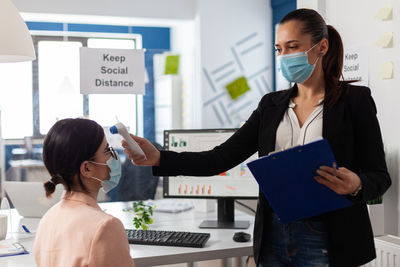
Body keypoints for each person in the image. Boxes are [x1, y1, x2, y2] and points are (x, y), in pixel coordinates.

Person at [123, 8, 391, 267]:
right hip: (274, 234)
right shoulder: (270, 105)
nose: (284, 55)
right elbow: (220, 158)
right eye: (279, 49)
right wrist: (160, 158)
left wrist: (356, 184)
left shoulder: (354, 101)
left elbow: (379, 176)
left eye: (293, 46)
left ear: (321, 47)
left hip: (329, 235)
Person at [34, 118, 134, 267]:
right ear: (87, 168)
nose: (113, 156)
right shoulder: (106, 227)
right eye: (107, 150)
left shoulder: (47, 219)